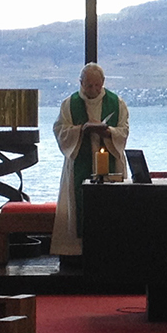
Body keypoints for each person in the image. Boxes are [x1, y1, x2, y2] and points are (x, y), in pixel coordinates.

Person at [51, 63, 131, 257]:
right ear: (81, 83)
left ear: (103, 82)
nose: (93, 90)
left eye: (97, 85)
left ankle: (110, 252)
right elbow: (60, 130)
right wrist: (81, 130)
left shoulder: (116, 102)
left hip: (111, 160)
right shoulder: (69, 104)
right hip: (80, 161)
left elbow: (124, 130)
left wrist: (108, 131)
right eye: (88, 85)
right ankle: (75, 253)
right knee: (78, 206)